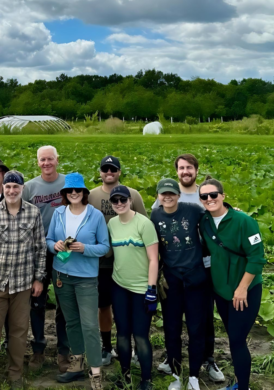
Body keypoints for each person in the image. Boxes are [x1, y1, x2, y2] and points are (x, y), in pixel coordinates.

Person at [153, 154, 225, 382]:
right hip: (172, 275)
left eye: (189, 167)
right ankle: (174, 365)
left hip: (199, 270)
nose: (185, 171)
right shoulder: (157, 210)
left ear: (195, 170)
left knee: (201, 322)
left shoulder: (199, 200)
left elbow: (218, 216)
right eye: (181, 168)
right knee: (172, 325)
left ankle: (206, 362)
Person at [0, 171, 46, 390]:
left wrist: (39, 278)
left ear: (22, 189)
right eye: (8, 187)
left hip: (23, 284)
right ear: (3, 189)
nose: (12, 191)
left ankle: (15, 375)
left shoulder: (33, 213)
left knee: (18, 332)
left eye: (16, 187)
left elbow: (40, 248)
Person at [198, 177, 266, 390]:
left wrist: (242, 288)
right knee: (233, 337)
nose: (209, 199)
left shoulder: (244, 221)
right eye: (204, 196)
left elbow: (257, 258)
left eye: (213, 195)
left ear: (223, 196)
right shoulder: (204, 222)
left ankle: (243, 387)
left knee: (237, 340)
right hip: (222, 291)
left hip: (245, 291)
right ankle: (239, 382)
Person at [45, 173, 110, 389]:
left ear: (84, 193)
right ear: (65, 193)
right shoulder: (58, 213)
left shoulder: (96, 216)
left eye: (78, 190)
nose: (74, 193)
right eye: (70, 190)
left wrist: (84, 248)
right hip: (61, 276)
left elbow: (104, 247)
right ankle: (77, 363)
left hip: (86, 279)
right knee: (71, 322)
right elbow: (49, 240)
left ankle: (96, 372)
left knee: (90, 325)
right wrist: (54, 246)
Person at [87, 155, 147, 366]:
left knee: (130, 307)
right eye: (105, 169)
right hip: (101, 262)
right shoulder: (91, 195)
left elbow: (144, 225)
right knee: (104, 306)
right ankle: (107, 347)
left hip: (128, 261)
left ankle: (139, 348)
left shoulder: (133, 195)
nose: (109, 172)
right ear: (100, 172)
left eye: (113, 169)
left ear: (119, 172)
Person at [150, 179, 209, 390]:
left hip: (195, 277)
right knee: (171, 328)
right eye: (163, 194)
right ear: (158, 195)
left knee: (196, 328)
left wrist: (230, 210)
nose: (168, 197)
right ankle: (175, 374)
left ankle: (194, 375)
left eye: (172, 194)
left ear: (178, 195)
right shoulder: (155, 215)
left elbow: (213, 215)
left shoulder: (193, 210)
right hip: (171, 280)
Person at [106, 186, 159, 390]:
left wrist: (151, 289)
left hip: (141, 289)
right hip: (119, 285)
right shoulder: (112, 223)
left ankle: (146, 380)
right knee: (121, 333)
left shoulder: (144, 224)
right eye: (115, 201)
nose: (119, 204)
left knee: (140, 334)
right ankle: (125, 375)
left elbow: (153, 259)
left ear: (130, 200)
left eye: (123, 200)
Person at [22, 145, 69, 372]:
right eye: (42, 160)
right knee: (37, 300)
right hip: (37, 251)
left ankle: (64, 351)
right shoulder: (29, 187)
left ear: (57, 160)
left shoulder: (69, 183)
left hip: (64, 251)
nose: (46, 163)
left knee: (64, 301)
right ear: (37, 162)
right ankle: (38, 348)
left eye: (50, 159)